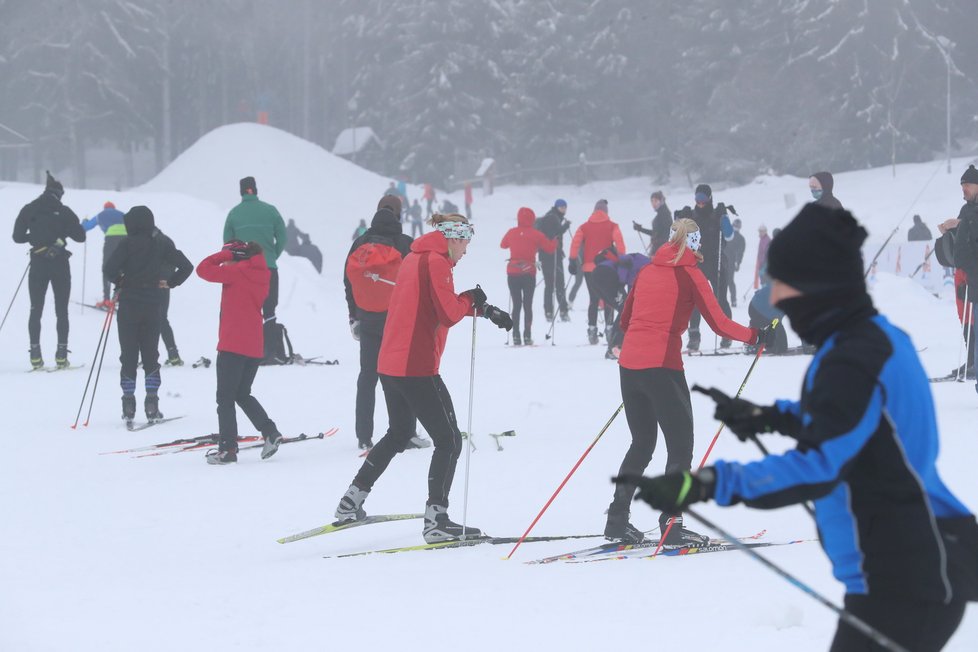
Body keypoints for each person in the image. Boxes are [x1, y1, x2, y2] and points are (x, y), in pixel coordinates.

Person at [618, 203, 978, 651]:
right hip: (900, 566)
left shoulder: (851, 356)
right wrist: (770, 417)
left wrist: (706, 485)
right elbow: (854, 421)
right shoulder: (869, 340)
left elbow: (819, 466)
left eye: (784, 283)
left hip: (903, 574)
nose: (778, 298)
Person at [333, 213, 513, 543]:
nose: (466, 251)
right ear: (454, 238)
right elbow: (448, 313)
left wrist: (484, 310)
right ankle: (437, 521)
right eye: (466, 242)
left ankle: (350, 502)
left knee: (399, 433)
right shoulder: (437, 262)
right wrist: (472, 298)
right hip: (415, 366)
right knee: (449, 441)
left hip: (390, 362)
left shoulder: (414, 257)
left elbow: (432, 306)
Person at [605, 218, 758, 544]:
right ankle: (672, 522)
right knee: (680, 444)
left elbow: (626, 319)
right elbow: (718, 323)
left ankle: (617, 520)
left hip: (629, 365)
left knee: (642, 442)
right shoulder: (691, 274)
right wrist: (755, 336)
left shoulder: (645, 270)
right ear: (695, 245)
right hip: (663, 366)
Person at [345, 194, 429, 451]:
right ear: (400, 214)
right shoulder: (406, 244)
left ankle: (363, 435)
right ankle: (407, 432)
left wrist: (354, 315)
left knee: (368, 376)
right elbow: (418, 282)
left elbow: (348, 280)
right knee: (403, 375)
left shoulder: (360, 242)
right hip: (398, 321)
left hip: (367, 318)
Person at [196, 241, 284, 465]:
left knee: (225, 397)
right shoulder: (262, 273)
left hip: (232, 343)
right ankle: (270, 431)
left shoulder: (236, 272)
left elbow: (202, 269)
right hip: (254, 344)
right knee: (242, 393)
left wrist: (223, 255)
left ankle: (228, 450)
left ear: (236, 256)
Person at [103, 206, 193, 425]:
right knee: (151, 354)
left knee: (129, 356)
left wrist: (121, 280)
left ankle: (128, 403)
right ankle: (152, 403)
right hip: (153, 304)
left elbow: (109, 269)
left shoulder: (126, 244)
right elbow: (186, 266)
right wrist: (171, 282)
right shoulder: (160, 243)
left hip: (128, 305)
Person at [12, 171, 86, 370]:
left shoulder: (29, 209)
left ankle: (35, 355)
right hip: (60, 263)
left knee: (35, 309)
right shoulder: (64, 211)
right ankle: (61, 354)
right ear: (59, 193)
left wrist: (34, 237)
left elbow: (17, 237)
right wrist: (62, 232)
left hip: (37, 262)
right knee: (61, 310)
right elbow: (81, 237)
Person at [223, 176, 287, 364]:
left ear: (242, 192)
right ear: (255, 190)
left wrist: (237, 262)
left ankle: (247, 352)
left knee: (248, 310)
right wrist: (272, 255)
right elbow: (282, 236)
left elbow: (227, 243)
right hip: (267, 267)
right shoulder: (271, 211)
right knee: (269, 309)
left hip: (244, 272)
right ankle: (270, 352)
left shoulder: (234, 214)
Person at [938, 164, 978, 385]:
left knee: (974, 316)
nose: (964, 189)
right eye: (962, 185)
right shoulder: (966, 208)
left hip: (974, 271)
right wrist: (949, 229)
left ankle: (974, 360)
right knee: (964, 316)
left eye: (968, 185)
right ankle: (971, 358)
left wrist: (960, 224)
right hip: (963, 271)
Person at [569, 199, 626, 344]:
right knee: (609, 300)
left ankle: (592, 330)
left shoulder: (584, 227)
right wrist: (622, 260)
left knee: (593, 299)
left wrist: (572, 260)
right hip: (607, 268)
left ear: (594, 211)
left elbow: (575, 243)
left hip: (589, 268)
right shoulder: (612, 226)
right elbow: (620, 244)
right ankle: (609, 329)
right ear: (606, 212)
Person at [685, 184, 734, 351]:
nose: (700, 203)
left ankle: (727, 334)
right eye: (697, 199)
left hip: (717, 262)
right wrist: (679, 218)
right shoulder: (691, 216)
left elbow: (729, 235)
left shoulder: (717, 214)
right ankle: (694, 337)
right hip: (698, 263)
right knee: (696, 301)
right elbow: (676, 238)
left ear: (710, 198)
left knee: (720, 299)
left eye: (703, 199)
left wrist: (725, 217)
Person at [500, 207, 556, 345]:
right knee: (527, 305)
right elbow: (549, 248)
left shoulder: (511, 232)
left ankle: (515, 336)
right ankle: (527, 335)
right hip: (528, 272)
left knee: (516, 304)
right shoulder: (536, 234)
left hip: (512, 272)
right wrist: (555, 241)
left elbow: (503, 245)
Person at [591, 250, 651, 360]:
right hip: (607, 275)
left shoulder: (647, 267)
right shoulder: (647, 263)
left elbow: (633, 290)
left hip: (597, 277)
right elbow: (625, 261)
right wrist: (621, 282)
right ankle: (614, 347)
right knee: (626, 310)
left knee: (625, 310)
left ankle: (616, 346)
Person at [81, 201, 126, 309]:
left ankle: (106, 300)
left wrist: (84, 221)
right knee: (122, 268)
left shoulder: (101, 215)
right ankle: (117, 297)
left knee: (107, 268)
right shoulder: (122, 214)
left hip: (111, 240)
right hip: (125, 241)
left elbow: (87, 227)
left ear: (105, 208)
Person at [535, 199, 572, 322]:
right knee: (558, 284)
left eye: (565, 207)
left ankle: (549, 312)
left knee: (549, 285)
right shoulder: (552, 217)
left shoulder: (552, 216)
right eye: (561, 207)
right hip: (552, 256)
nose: (563, 209)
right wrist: (565, 227)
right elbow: (553, 234)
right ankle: (562, 311)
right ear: (556, 207)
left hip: (546, 256)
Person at [726, 218, 746, 307]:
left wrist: (738, 262)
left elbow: (740, 252)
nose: (736, 228)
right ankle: (719, 300)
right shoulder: (727, 235)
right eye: (735, 226)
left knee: (729, 281)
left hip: (731, 262)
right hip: (724, 261)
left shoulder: (741, 239)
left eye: (737, 226)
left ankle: (733, 300)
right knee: (723, 281)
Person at [754, 224, 771, 290]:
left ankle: (766, 293)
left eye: (762, 231)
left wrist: (765, 265)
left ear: (765, 231)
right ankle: (764, 291)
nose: (760, 232)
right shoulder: (762, 239)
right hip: (761, 263)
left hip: (766, 264)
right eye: (760, 231)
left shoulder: (767, 240)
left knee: (765, 280)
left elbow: (767, 253)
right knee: (762, 280)